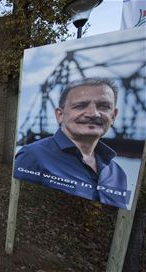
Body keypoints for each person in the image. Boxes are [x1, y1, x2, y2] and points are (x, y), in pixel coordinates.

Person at [14, 77, 129, 209]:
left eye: (103, 106)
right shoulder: (33, 156)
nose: (93, 114)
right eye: (80, 106)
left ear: (113, 116)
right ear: (60, 115)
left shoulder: (119, 174)